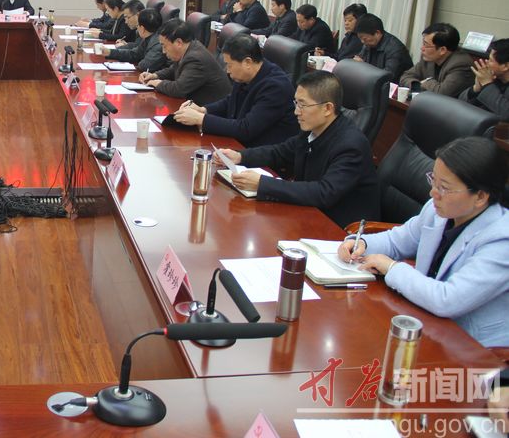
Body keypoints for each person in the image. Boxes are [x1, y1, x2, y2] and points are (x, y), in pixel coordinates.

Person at [339, 136, 508, 348]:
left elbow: (448, 300)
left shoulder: (502, 240)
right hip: (423, 321)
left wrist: (391, 267)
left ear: (481, 197)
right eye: (433, 180)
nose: (433, 193)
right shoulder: (437, 210)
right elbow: (396, 241)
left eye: (444, 187)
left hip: (472, 348)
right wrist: (361, 243)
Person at [214, 71, 379, 227]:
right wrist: (240, 156)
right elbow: (280, 152)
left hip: (340, 229)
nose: (296, 112)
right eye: (296, 103)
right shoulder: (312, 129)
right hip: (309, 213)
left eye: (303, 105)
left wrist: (262, 184)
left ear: (328, 108)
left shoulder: (351, 146)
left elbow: (324, 192)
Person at [173, 34, 300, 147]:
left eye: (230, 65)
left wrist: (201, 119)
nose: (227, 71)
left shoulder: (276, 87)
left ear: (247, 62)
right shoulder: (246, 75)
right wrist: (204, 110)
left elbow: (246, 129)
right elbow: (230, 101)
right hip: (238, 145)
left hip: (261, 155)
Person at [138, 23, 231, 104]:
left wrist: (157, 83)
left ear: (178, 42)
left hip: (208, 111)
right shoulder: (190, 48)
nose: (163, 51)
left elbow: (178, 89)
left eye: (164, 46)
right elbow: (173, 69)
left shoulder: (196, 58)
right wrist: (155, 75)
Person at [399, 23, 474, 97]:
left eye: (426, 45)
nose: (422, 48)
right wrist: (416, 85)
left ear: (442, 50)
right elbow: (405, 77)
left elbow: (442, 93)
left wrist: (427, 82)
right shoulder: (429, 57)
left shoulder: (461, 64)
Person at [352, 13, 413, 82]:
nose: (362, 42)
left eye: (364, 38)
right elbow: (360, 59)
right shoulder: (368, 43)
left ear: (377, 33)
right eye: (360, 38)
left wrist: (364, 67)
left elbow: (387, 77)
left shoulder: (395, 49)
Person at [459, 38, 509, 121]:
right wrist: (475, 89)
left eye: (491, 60)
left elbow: (506, 115)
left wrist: (487, 84)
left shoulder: (489, 82)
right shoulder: (495, 78)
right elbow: (461, 102)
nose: (487, 63)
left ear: (505, 66)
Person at [106, 8, 169, 72]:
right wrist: (109, 52)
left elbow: (145, 66)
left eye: (137, 25)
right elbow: (133, 54)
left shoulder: (158, 44)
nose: (137, 28)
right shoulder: (148, 38)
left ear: (142, 29)